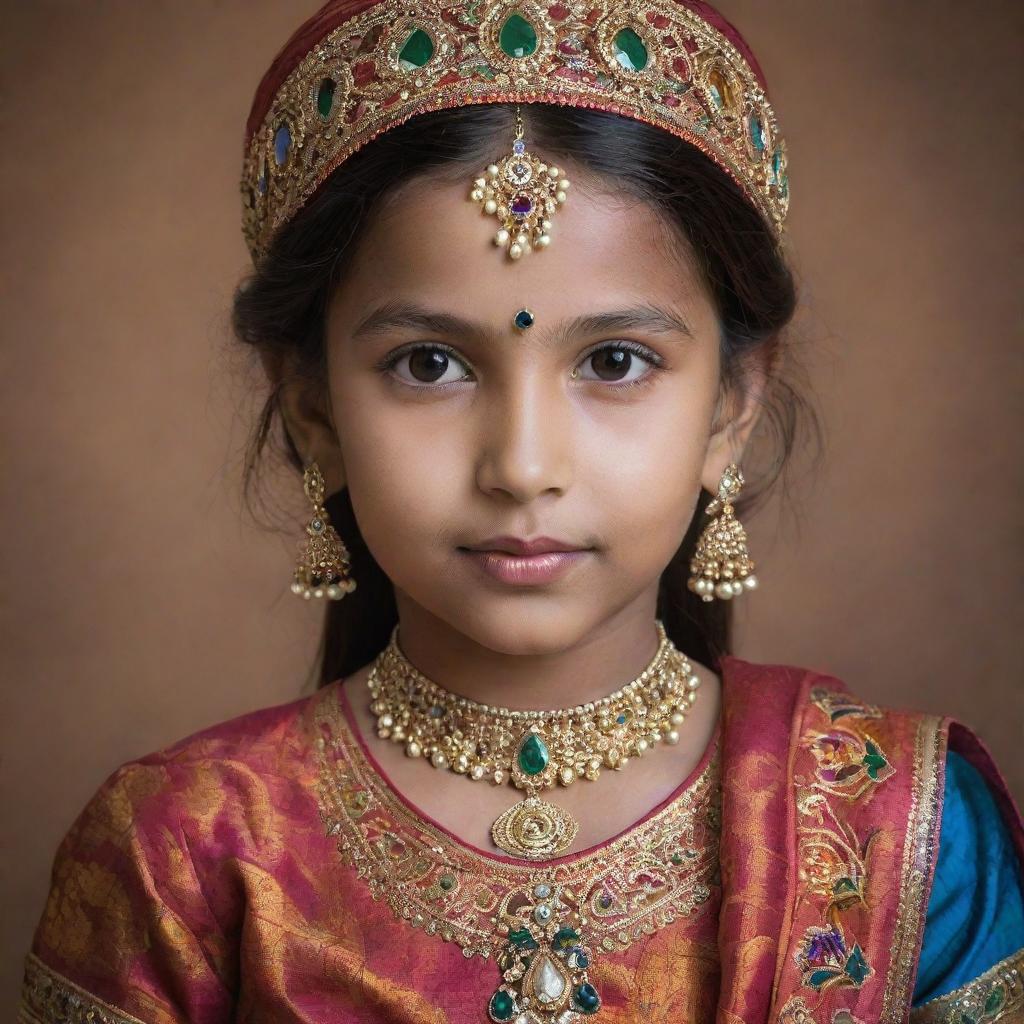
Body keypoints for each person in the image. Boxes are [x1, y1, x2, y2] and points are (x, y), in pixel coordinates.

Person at [18, 1, 1024, 1021]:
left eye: (614, 362)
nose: (523, 464)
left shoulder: (905, 834)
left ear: (731, 405)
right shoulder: (181, 855)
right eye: (429, 364)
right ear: (311, 405)